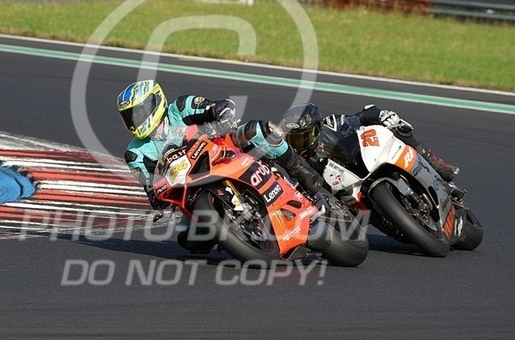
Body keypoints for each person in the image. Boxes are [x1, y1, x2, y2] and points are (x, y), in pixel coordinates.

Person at [116, 79, 323, 253]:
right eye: (129, 116)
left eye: (138, 112)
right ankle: (235, 232)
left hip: (224, 149)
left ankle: (301, 171)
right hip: (192, 186)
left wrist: (224, 117)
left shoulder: (180, 108)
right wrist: (159, 195)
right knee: (188, 239)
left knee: (258, 131)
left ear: (155, 102)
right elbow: (151, 190)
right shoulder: (135, 153)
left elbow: (221, 105)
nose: (135, 120)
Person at [280, 103, 464, 196]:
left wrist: (381, 115)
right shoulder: (298, 161)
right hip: (347, 192)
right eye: (294, 141)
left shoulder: (331, 124)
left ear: (316, 128)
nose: (300, 144)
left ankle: (437, 167)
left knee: (398, 127)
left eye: (303, 137)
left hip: (364, 158)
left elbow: (360, 116)